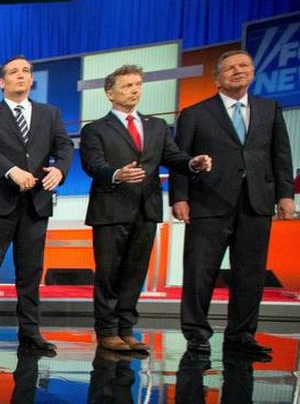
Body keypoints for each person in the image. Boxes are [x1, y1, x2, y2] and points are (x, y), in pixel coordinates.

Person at [170, 49, 294, 358]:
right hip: (208, 204)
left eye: (244, 65)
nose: (238, 71)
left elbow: (281, 155)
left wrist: (285, 194)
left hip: (256, 202)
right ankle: (196, 335)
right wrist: (179, 197)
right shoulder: (195, 113)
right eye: (231, 68)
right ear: (217, 79)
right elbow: (180, 159)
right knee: (200, 272)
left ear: (252, 71)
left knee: (250, 273)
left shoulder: (269, 109)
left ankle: (241, 336)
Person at [80, 65, 211, 354]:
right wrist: (117, 174)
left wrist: (192, 163)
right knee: (109, 274)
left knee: (135, 273)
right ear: (110, 93)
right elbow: (92, 165)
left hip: (146, 209)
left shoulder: (157, 126)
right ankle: (107, 331)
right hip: (111, 210)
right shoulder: (95, 129)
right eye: (127, 85)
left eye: (138, 84)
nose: (135, 90)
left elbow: (173, 157)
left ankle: (126, 329)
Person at [0, 55, 74, 355]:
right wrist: (10, 170)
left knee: (30, 272)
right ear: (1, 82)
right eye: (14, 72)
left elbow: (65, 146)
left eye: (26, 71)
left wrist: (60, 169)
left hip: (36, 204)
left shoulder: (50, 114)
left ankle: (30, 332)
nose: (21, 75)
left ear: (31, 79)